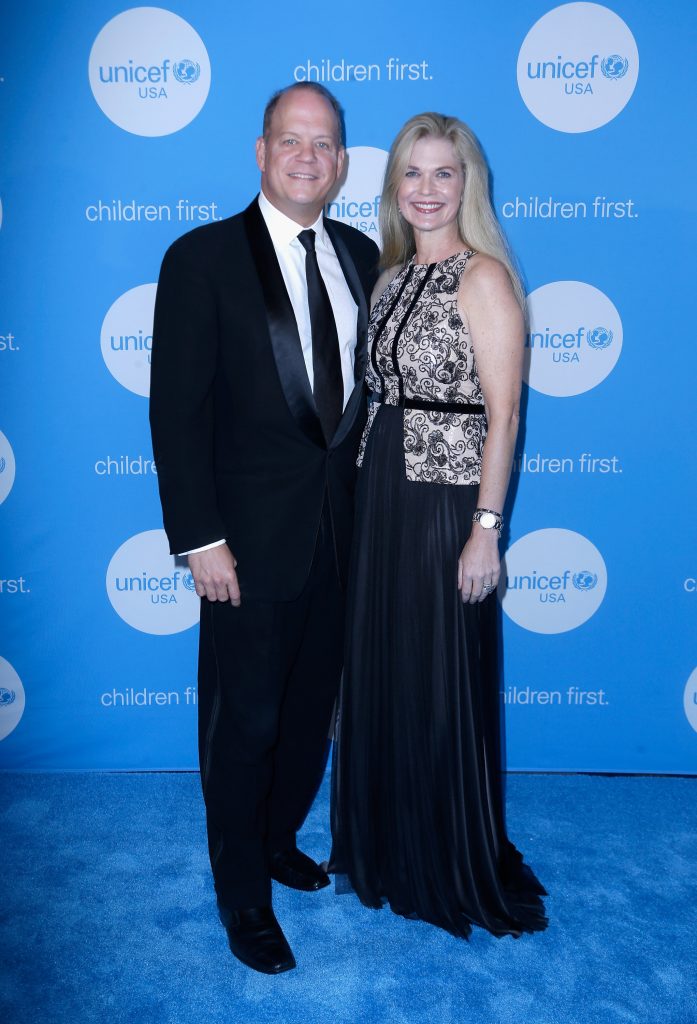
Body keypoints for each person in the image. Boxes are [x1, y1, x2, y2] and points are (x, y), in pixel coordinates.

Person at [149, 82, 379, 974]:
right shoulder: (200, 258)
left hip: (343, 542)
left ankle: (279, 839)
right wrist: (200, 539)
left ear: (342, 164)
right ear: (259, 151)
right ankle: (241, 891)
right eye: (292, 140)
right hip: (242, 548)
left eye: (324, 145)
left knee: (307, 710)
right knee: (242, 721)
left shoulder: (361, 254)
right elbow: (176, 416)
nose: (307, 157)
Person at [329, 113, 548, 939]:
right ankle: (387, 842)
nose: (425, 189)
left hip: (446, 499)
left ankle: (443, 855)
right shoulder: (384, 279)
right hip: (380, 489)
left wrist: (485, 528)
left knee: (437, 672)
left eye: (443, 174)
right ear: (392, 187)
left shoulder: (483, 278)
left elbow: (505, 414)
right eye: (411, 174)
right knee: (383, 668)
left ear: (468, 185)